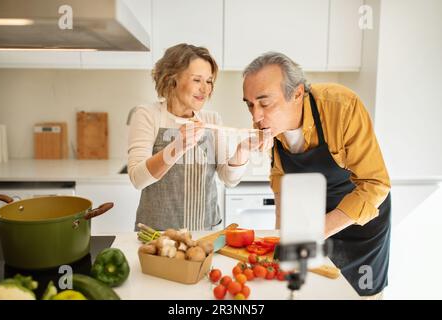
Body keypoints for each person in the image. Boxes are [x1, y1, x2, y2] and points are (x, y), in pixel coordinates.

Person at [242, 52, 391, 298]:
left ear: (297, 94)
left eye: (264, 103)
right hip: (311, 222)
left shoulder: (341, 107)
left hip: (361, 228)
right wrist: (282, 235)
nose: (255, 117)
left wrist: (312, 233)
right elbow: (281, 179)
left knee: (359, 293)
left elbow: (376, 184)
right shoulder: (270, 125)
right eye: (249, 104)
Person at [128, 43, 268, 231]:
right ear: (172, 79)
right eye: (197, 80)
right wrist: (177, 146)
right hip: (156, 235)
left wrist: (243, 150)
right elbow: (138, 179)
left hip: (205, 232)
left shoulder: (211, 119)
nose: (205, 89)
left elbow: (229, 179)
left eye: (209, 81)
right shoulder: (147, 115)